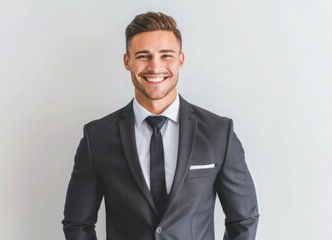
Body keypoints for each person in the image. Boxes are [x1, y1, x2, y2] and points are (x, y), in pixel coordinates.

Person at [62, 11, 259, 240]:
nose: (155, 67)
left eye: (166, 55)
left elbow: (243, 220)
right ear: (127, 62)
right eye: (143, 56)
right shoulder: (97, 137)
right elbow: (77, 223)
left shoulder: (218, 133)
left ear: (180, 60)